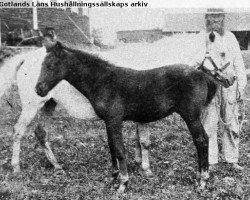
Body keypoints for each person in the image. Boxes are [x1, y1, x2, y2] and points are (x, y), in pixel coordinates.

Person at [192, 8, 247, 171]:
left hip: (229, 86)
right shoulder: (201, 37)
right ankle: (211, 160)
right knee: (209, 123)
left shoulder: (230, 37)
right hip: (209, 86)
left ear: (223, 18)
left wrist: (241, 86)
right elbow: (195, 62)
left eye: (219, 16)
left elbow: (238, 63)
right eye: (212, 16)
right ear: (207, 18)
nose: (216, 19)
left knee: (231, 122)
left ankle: (232, 159)